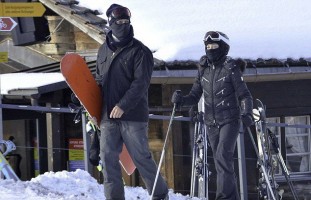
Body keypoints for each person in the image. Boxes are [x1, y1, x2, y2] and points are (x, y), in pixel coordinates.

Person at [95, 4, 169, 200]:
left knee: (141, 158)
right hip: (108, 116)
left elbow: (140, 84)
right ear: (110, 23)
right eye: (118, 22)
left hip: (132, 116)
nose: (123, 25)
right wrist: (85, 102)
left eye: (126, 21)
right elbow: (99, 81)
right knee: (107, 159)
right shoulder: (103, 51)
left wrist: (123, 105)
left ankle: (160, 195)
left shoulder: (140, 51)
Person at [171, 31, 253, 200]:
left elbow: (245, 95)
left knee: (223, 156)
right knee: (220, 162)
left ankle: (224, 197)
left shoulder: (231, 68)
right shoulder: (204, 69)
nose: (210, 49)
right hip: (211, 122)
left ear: (223, 47)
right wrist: (180, 101)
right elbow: (194, 95)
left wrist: (246, 115)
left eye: (214, 46)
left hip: (230, 120)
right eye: (207, 46)